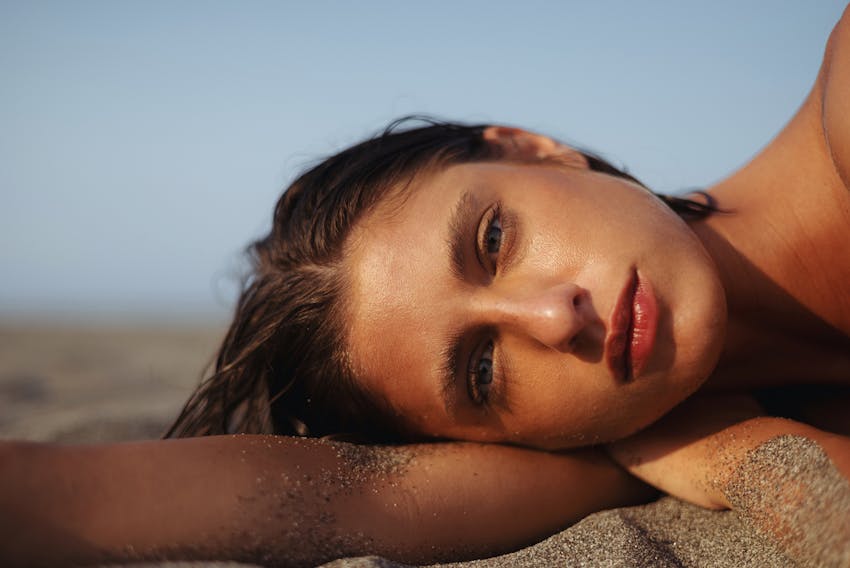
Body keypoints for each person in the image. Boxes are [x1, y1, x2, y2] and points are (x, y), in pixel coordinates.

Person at [3, 6, 850, 567]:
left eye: (493, 238)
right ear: (494, 447)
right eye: (482, 370)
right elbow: (348, 501)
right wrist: (711, 447)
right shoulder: (647, 436)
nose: (555, 318)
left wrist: (738, 456)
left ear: (532, 148)